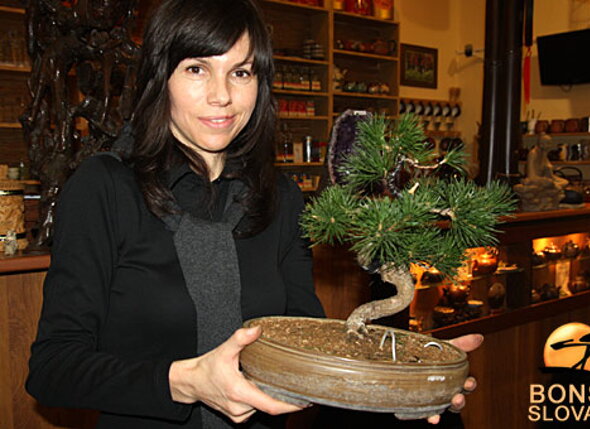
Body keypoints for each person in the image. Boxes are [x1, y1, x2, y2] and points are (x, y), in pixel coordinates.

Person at [26, 0, 479, 427]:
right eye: (197, 69)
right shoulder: (104, 188)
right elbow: (53, 368)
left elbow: (306, 353)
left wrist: (401, 382)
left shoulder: (280, 199)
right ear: (160, 77)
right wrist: (185, 382)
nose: (221, 95)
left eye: (240, 72)